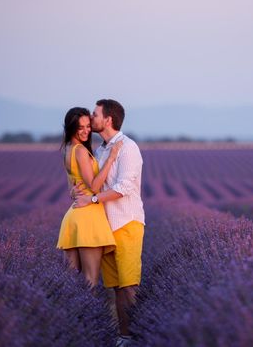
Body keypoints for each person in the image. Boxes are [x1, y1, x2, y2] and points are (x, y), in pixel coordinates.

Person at [73, 99, 145, 346]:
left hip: (127, 223)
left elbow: (124, 186)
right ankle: (123, 337)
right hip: (105, 227)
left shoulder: (128, 147)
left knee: (129, 286)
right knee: (115, 287)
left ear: (108, 120)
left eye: (95, 114)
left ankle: (134, 337)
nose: (91, 118)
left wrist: (92, 199)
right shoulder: (101, 149)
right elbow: (95, 182)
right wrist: (79, 191)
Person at [57, 107, 122, 287]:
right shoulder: (80, 151)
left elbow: (72, 186)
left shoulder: (68, 149)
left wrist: (72, 192)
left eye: (88, 126)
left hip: (73, 217)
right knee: (90, 281)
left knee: (70, 284)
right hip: (88, 217)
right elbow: (94, 187)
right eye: (81, 127)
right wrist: (111, 158)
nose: (86, 130)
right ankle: (86, 316)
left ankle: (71, 316)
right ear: (71, 128)